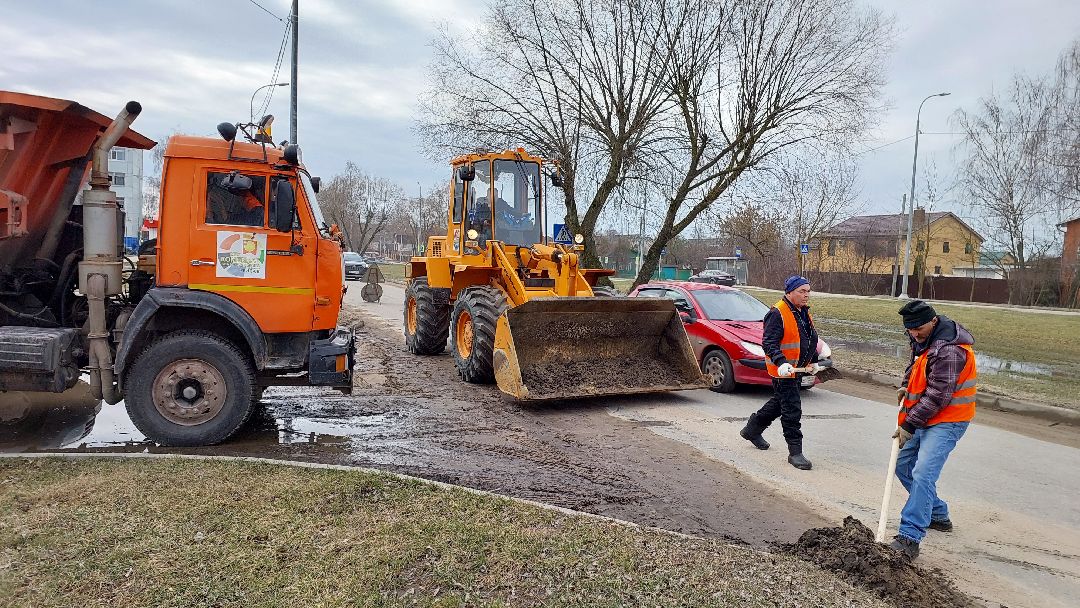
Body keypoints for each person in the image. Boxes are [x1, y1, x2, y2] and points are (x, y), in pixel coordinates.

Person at [889, 300, 976, 560]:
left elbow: (939, 395)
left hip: (948, 420)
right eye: (910, 330)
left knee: (923, 473)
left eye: (918, 328)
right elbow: (916, 366)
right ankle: (937, 513)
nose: (914, 334)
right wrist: (908, 385)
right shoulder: (922, 339)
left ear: (933, 320)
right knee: (902, 465)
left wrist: (909, 423)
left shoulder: (950, 351)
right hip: (926, 415)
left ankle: (909, 537)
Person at [739, 275, 826, 470]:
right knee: (792, 409)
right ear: (789, 292)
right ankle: (795, 452)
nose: (806, 295)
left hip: (797, 368)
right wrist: (781, 362)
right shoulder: (777, 313)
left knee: (781, 402)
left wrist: (813, 361)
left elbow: (809, 339)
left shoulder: (802, 312)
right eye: (801, 291)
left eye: (808, 291)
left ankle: (752, 429)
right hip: (783, 370)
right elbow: (768, 343)